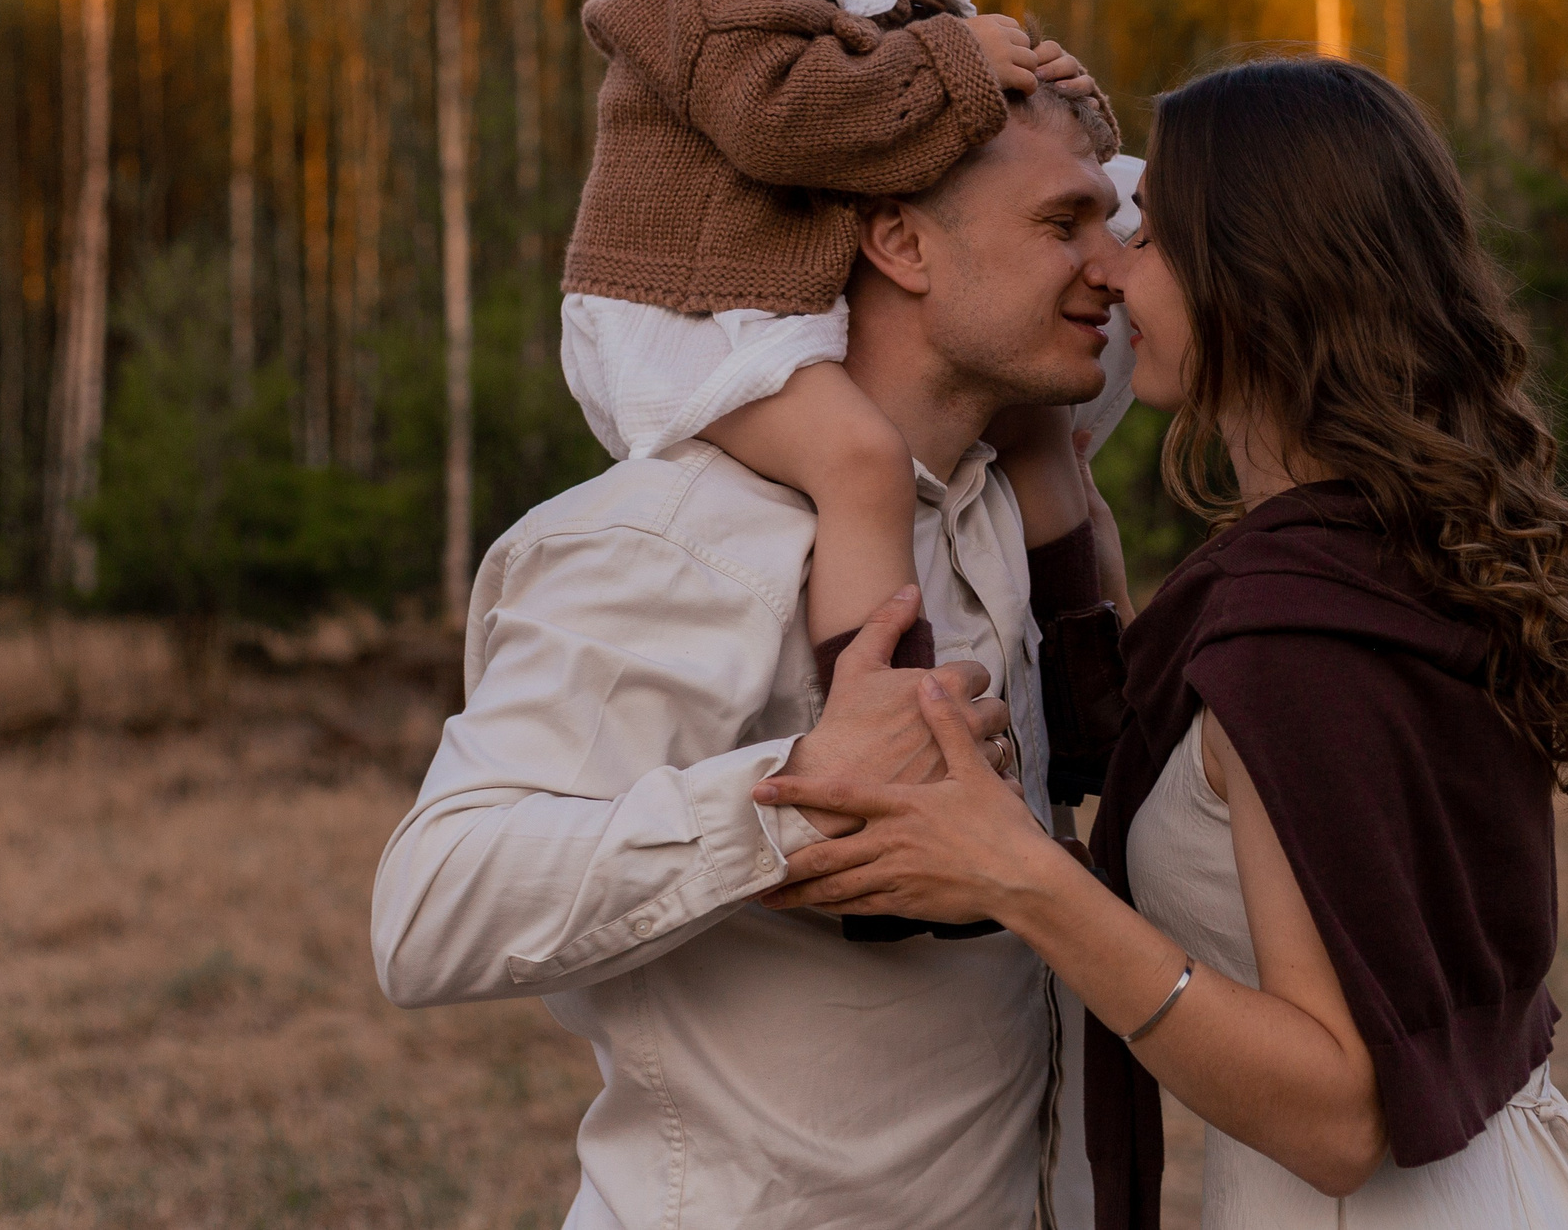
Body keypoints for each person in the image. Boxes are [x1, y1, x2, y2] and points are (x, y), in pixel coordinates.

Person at [753, 58, 1568, 1229]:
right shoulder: (1379, 555)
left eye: (1154, 238)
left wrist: (1015, 874)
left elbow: (1338, 1119)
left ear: (1261, 278)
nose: (1113, 271)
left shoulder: (1302, 635)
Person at [372, 85, 1131, 1229]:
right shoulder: (668, 536)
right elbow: (430, 906)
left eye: (1111, 227)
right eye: (1062, 223)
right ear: (898, 241)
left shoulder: (1001, 501)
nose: (1109, 267)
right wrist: (788, 808)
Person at [560, 0, 1116, 669]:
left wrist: (1056, 104)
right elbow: (780, 120)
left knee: (1036, 427)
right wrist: (959, 62)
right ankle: (885, 719)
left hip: (769, 294)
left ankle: (1092, 686)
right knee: (862, 462)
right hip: (683, 308)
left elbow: (939, 136)